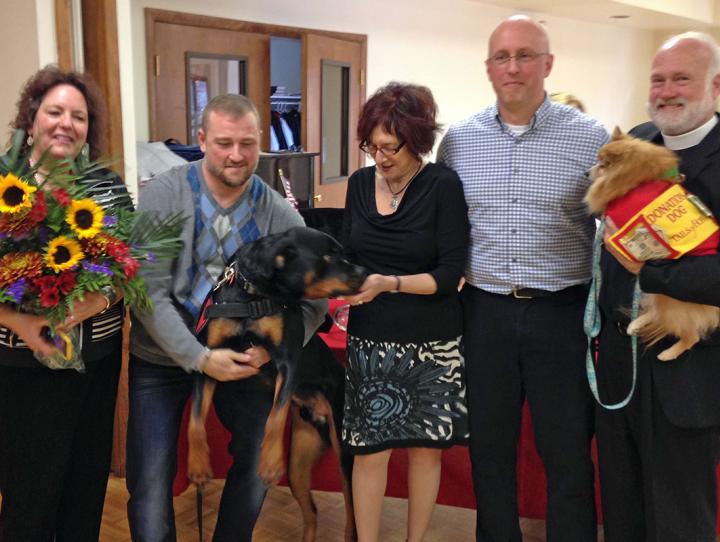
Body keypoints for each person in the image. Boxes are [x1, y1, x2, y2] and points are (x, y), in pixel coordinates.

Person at [437, 15, 608, 542]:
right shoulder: (459, 143)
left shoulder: (591, 139)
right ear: (489, 67)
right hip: (484, 312)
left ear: (548, 64)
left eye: (525, 55)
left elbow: (617, 227)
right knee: (489, 450)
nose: (513, 67)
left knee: (566, 454)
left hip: (562, 316)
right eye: (502, 57)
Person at [127, 93, 326, 541]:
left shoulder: (275, 210)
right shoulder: (162, 194)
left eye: (247, 143)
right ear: (200, 140)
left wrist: (267, 354)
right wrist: (198, 358)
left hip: (241, 365)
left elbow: (316, 298)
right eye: (223, 143)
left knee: (258, 468)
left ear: (259, 142)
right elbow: (145, 292)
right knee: (150, 485)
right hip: (161, 359)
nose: (236, 155)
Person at [594, 32, 720, 542]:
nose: (667, 90)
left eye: (682, 79)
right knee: (622, 512)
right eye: (658, 79)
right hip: (620, 366)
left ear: (715, 86)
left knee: (679, 519)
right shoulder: (640, 139)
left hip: (689, 372)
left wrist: (649, 272)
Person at [0, 66, 130, 541]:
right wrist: (19, 320)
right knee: (29, 497)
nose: (66, 123)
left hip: (95, 364)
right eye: (55, 111)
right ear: (31, 119)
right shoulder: (4, 183)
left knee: (85, 487)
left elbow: (127, 269)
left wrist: (98, 300)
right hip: (21, 369)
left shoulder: (107, 188)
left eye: (78, 116)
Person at [340, 82, 470, 542]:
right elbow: (349, 254)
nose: (381, 157)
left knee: (424, 450)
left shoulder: (442, 186)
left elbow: (450, 272)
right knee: (368, 452)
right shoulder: (358, 184)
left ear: (416, 140)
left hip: (431, 339)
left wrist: (388, 283)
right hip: (370, 336)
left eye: (390, 147)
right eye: (372, 146)